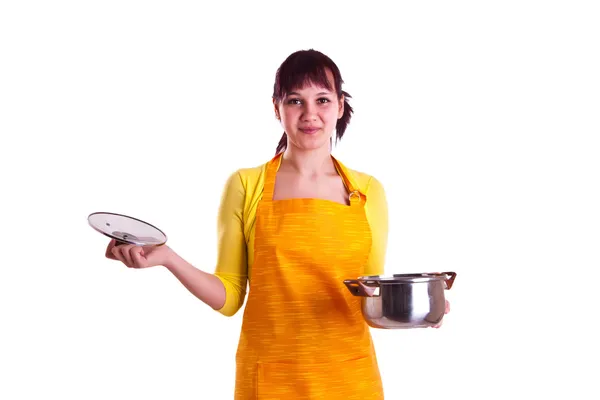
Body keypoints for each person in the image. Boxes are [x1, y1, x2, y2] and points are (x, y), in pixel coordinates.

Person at [105, 49, 446, 399]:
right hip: (269, 380)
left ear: (340, 106)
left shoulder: (367, 191)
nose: (310, 114)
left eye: (322, 100)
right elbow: (229, 297)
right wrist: (167, 258)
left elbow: (368, 299)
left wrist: (419, 309)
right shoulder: (246, 185)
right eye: (295, 100)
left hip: (350, 378)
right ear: (276, 108)